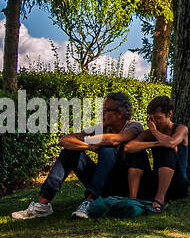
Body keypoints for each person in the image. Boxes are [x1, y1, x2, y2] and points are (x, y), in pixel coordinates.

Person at [10, 91, 144, 220]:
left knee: (107, 149)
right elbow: (64, 140)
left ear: (120, 113)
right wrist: (89, 146)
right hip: (104, 182)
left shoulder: (133, 126)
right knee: (70, 150)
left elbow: (114, 140)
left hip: (124, 184)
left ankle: (90, 202)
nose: (102, 113)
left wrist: (93, 141)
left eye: (106, 110)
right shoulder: (101, 128)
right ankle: (42, 204)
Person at [123, 96, 189, 212]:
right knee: (136, 152)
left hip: (177, 184)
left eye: (158, 118)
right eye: (152, 119)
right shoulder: (148, 134)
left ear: (169, 114)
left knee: (167, 148)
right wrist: (155, 143)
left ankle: (159, 200)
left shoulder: (181, 129)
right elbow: (129, 147)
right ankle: (132, 199)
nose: (155, 122)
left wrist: (154, 132)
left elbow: (171, 142)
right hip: (156, 181)